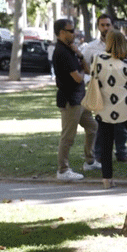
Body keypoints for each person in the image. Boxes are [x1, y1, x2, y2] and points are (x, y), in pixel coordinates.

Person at [91, 30, 127, 189]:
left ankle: (107, 179)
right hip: (125, 107)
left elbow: (94, 79)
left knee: (106, 143)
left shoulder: (98, 59)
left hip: (104, 107)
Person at [51, 18, 99, 180]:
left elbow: (87, 69)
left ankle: (90, 161)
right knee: (68, 137)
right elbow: (78, 77)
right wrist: (83, 70)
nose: (75, 33)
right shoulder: (62, 52)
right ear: (62, 33)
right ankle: (63, 170)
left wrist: (79, 54)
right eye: (71, 31)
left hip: (80, 99)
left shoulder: (70, 50)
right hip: (70, 100)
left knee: (93, 127)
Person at [81, 14, 127, 163]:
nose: (105, 28)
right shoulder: (91, 48)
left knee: (121, 123)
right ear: (98, 27)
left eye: (108, 25)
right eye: (102, 25)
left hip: (119, 91)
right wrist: (90, 80)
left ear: (112, 26)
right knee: (101, 123)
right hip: (101, 92)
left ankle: (121, 152)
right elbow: (83, 66)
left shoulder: (122, 45)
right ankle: (99, 154)